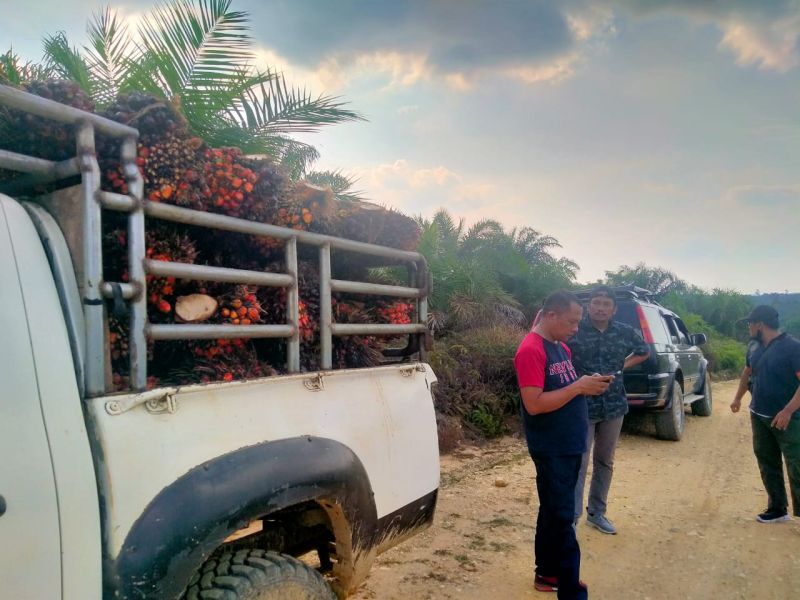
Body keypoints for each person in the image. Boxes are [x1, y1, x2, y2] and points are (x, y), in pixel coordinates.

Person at [514, 290, 611, 599]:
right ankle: (570, 590)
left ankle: (547, 572)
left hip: (568, 444)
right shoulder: (530, 350)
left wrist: (585, 384)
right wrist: (578, 387)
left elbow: (564, 387)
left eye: (578, 323)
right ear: (551, 315)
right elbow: (534, 404)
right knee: (562, 518)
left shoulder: (560, 347)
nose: (575, 329)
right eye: (571, 322)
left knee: (552, 512)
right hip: (552, 447)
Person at [567, 286, 650, 534]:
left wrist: (621, 366)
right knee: (579, 462)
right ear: (588, 306)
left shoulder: (624, 332)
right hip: (582, 404)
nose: (600, 308)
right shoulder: (575, 331)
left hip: (614, 405)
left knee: (605, 460)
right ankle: (572, 516)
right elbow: (559, 356)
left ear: (614, 310)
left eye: (606, 304)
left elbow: (644, 351)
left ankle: (597, 513)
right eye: (596, 303)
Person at [730, 305, 800, 523]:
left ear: (760, 324)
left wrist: (788, 410)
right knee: (767, 461)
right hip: (759, 414)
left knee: (796, 464)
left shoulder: (793, 348)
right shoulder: (753, 346)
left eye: (750, 323)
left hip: (788, 419)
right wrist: (738, 397)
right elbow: (747, 371)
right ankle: (778, 509)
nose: (749, 327)